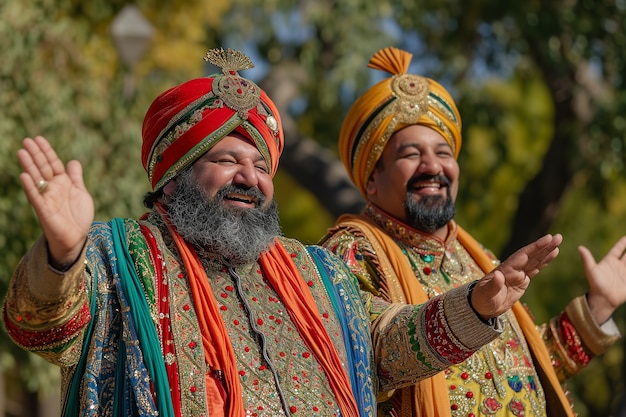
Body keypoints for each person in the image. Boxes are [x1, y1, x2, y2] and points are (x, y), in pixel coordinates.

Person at [2, 48, 563, 417]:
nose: (250, 177)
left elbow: (384, 351)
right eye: (225, 160)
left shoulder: (316, 272)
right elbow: (42, 328)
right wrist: (62, 253)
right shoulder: (114, 256)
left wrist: (477, 308)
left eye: (262, 166)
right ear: (173, 175)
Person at [319, 46, 626, 417]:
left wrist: (598, 308)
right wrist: (470, 311)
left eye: (444, 153)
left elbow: (525, 375)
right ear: (371, 180)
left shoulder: (471, 253)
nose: (433, 166)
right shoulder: (349, 251)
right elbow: (373, 355)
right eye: (410, 154)